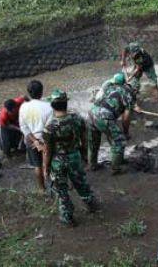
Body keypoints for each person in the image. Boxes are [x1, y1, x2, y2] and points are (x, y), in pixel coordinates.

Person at [42, 89, 98, 226]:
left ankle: (67, 218)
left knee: (61, 190)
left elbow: (48, 151)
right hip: (74, 156)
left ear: (52, 105)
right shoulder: (77, 118)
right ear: (66, 103)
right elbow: (84, 140)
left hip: (58, 162)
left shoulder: (49, 128)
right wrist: (85, 156)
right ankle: (91, 204)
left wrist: (46, 168)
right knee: (81, 183)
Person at [88, 79, 133, 174]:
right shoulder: (128, 94)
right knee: (119, 140)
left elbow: (96, 98)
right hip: (104, 115)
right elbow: (126, 117)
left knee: (93, 141)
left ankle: (92, 165)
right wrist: (126, 132)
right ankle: (116, 168)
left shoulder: (109, 87)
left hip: (92, 112)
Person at [19, 80, 53, 192]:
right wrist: (41, 142)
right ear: (42, 92)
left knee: (37, 166)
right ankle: (55, 185)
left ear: (29, 92)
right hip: (46, 140)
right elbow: (49, 128)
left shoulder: (23, 107)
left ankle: (41, 188)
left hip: (30, 140)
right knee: (50, 163)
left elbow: (23, 127)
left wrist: (35, 141)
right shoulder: (49, 107)